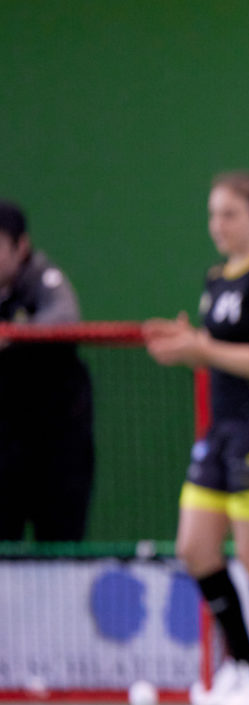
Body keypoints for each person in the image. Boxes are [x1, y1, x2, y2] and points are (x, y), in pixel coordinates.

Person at [143, 172, 249, 705]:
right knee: (195, 547)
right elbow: (214, 350)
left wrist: (203, 346)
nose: (218, 225)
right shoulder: (217, 278)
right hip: (222, 431)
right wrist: (186, 347)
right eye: (213, 214)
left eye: (230, 213)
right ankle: (239, 665)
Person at [0, 200, 95, 542]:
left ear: (21, 246)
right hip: (5, 446)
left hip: (59, 447)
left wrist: (10, 335)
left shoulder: (43, 278)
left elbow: (66, 318)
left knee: (59, 548)